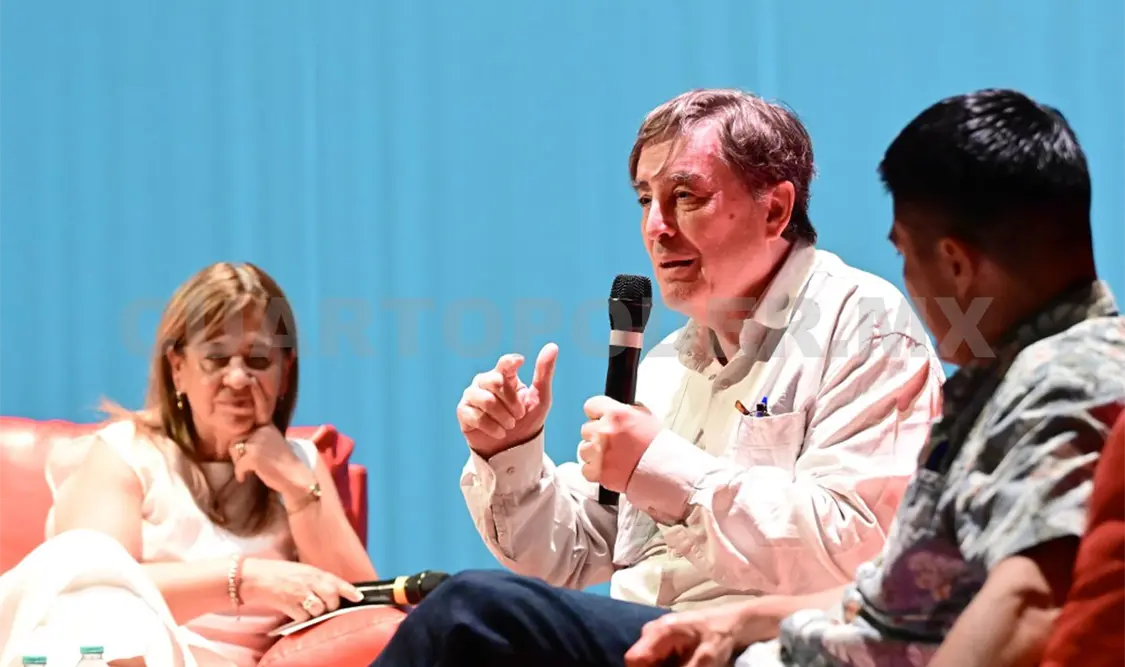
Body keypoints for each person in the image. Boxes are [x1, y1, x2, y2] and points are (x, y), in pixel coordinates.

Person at [371, 89, 944, 666]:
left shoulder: (863, 323)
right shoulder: (669, 363)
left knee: (473, 612)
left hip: (765, 647)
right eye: (646, 199)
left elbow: (862, 550)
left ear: (775, 210)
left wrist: (662, 469)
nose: (656, 226)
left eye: (685, 197)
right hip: (649, 637)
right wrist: (510, 451)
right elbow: (575, 552)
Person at [618, 88, 1125, 667]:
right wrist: (737, 623)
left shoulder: (1070, 377)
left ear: (955, 263)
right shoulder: (999, 385)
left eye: (904, 253)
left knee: (524, 619)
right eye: (645, 200)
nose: (656, 227)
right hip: (785, 641)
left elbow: (1028, 604)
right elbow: (890, 598)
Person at [0, 262, 377, 667]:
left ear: (284, 374)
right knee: (81, 558)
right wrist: (246, 579)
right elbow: (86, 588)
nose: (238, 379)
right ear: (177, 368)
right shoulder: (126, 453)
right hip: (127, 654)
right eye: (216, 358)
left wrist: (298, 489)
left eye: (258, 360)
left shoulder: (302, 464)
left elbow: (366, 611)